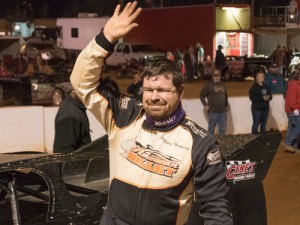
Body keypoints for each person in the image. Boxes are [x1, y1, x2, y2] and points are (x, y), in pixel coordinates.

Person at [70, 2, 232, 225]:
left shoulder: (201, 144)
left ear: (180, 92)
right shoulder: (124, 115)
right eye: (148, 89)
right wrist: (104, 39)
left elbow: (216, 209)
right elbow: (82, 84)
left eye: (163, 90)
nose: (154, 96)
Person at [199, 69, 229, 135]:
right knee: (211, 128)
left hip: (223, 111)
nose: (217, 77)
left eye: (218, 75)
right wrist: (205, 104)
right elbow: (201, 95)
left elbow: (225, 95)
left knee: (223, 128)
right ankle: (211, 144)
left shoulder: (223, 84)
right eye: (215, 76)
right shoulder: (209, 85)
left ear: (220, 76)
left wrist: (227, 104)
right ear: (212, 76)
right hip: (213, 112)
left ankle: (221, 143)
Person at [249, 69, 272, 134]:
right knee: (256, 123)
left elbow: (270, 96)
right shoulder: (254, 88)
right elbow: (252, 98)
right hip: (257, 109)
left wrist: (269, 97)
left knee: (263, 124)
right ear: (256, 78)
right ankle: (253, 138)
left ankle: (263, 137)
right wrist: (262, 98)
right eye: (260, 76)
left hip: (265, 109)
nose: (261, 78)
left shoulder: (266, 87)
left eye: (263, 76)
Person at [282, 71, 300, 153]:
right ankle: (288, 142)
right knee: (298, 127)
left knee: (293, 127)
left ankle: (294, 146)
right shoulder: (294, 85)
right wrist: (295, 108)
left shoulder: (296, 85)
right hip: (293, 110)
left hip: (295, 110)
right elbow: (291, 99)